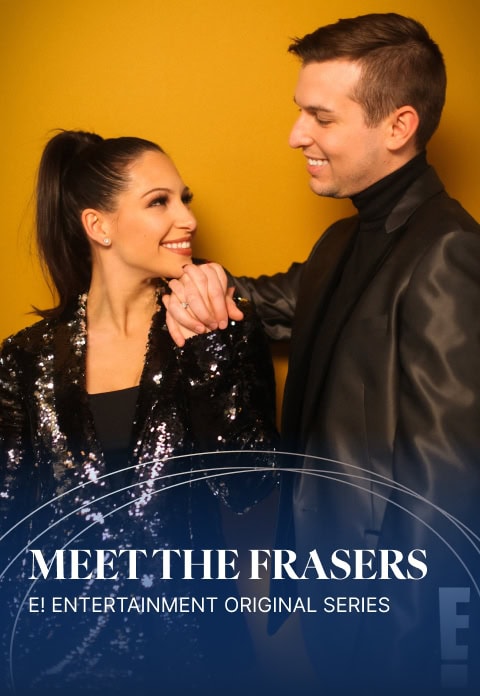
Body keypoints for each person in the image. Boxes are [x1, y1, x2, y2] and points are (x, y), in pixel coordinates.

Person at [163, 13, 480, 692]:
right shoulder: (343, 240)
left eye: (320, 117)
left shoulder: (450, 251)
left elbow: (447, 500)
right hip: (329, 602)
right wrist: (163, 270)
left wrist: (413, 668)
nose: (295, 135)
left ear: (398, 127)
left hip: (393, 630)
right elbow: (267, 303)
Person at [0, 130, 278, 694]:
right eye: (159, 202)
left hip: (198, 654)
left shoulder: (220, 328)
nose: (188, 219)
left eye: (185, 198)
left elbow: (247, 485)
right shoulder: (23, 359)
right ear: (98, 226)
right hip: (52, 658)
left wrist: (209, 344)